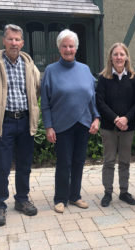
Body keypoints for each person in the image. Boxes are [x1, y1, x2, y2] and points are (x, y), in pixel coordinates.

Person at [0, 24, 40, 226]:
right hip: (3, 122)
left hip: (25, 121)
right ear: (3, 41)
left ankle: (22, 200)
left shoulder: (30, 66)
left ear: (22, 42)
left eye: (17, 39)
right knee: (2, 166)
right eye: (10, 39)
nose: (14, 43)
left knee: (24, 165)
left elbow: (36, 91)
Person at [41, 29, 100, 213]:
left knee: (78, 161)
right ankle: (60, 198)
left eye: (71, 46)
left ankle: (75, 196)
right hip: (61, 125)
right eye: (64, 46)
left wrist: (96, 117)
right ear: (59, 48)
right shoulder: (51, 71)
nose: (68, 49)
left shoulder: (85, 69)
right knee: (64, 162)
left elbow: (92, 97)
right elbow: (45, 102)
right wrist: (49, 126)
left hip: (83, 124)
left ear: (76, 48)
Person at [96, 43, 135, 207]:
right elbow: (100, 102)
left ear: (126, 57)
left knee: (125, 161)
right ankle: (108, 193)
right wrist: (115, 119)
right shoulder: (103, 78)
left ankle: (124, 192)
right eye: (116, 54)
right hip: (109, 127)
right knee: (108, 162)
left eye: (122, 54)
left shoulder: (133, 78)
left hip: (128, 127)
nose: (119, 57)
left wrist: (126, 119)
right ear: (111, 58)